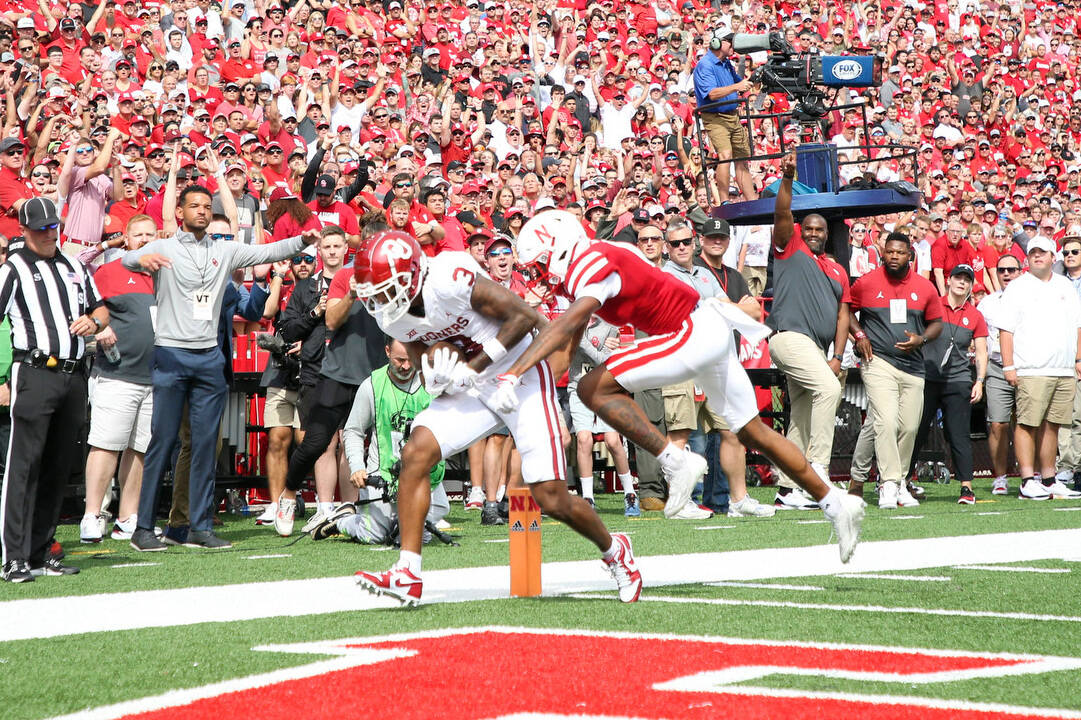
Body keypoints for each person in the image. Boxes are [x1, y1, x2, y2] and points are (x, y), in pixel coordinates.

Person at [503, 210, 865, 563]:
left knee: (591, 390)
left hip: (689, 333)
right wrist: (529, 388)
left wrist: (511, 373)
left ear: (560, 249)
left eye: (539, 263)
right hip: (705, 328)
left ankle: (675, 462)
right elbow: (566, 349)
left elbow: (566, 326)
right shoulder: (601, 258)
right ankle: (837, 503)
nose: (538, 274)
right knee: (753, 432)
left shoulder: (591, 263)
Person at [351, 230, 642, 606]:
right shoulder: (392, 318)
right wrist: (436, 375)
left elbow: (524, 317)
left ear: (411, 275)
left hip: (519, 375)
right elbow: (427, 361)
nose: (379, 300)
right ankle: (407, 572)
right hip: (472, 384)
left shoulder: (448, 277)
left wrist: (474, 367)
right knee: (416, 453)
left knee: (550, 496)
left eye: (385, 289)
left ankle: (614, 549)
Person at [122, 184, 317, 552]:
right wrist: (139, 260)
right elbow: (127, 260)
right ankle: (143, 527)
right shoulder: (163, 247)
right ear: (180, 212)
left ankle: (199, 525)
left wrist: (300, 241)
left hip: (209, 358)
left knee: (206, 443)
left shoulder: (223, 250)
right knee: (162, 441)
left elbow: (266, 250)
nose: (200, 211)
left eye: (204, 206)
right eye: (193, 206)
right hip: (171, 355)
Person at [1, 198, 108, 583]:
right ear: (24, 230)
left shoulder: (74, 265)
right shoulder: (12, 269)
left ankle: (41, 550)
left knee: (58, 467)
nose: (50, 234)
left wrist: (92, 322)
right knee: (23, 467)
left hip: (72, 375)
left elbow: (100, 309)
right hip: (34, 371)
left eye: (53, 227)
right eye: (42, 228)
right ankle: (12, 557)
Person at [665, 219, 773, 519]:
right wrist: (714, 309)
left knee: (732, 430)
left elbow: (737, 308)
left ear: (693, 241)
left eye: (686, 241)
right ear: (668, 247)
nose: (683, 247)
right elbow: (687, 315)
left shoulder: (703, 274)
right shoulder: (664, 275)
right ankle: (681, 502)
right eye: (676, 243)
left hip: (714, 361)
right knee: (682, 433)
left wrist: (713, 309)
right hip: (682, 361)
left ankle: (738, 500)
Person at [767, 159, 851, 509]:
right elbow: (782, 212)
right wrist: (787, 178)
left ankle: (787, 488)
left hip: (818, 349)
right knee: (829, 389)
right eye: (809, 229)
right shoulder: (790, 246)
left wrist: (836, 355)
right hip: (789, 338)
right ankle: (817, 470)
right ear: (802, 231)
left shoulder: (836, 268)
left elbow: (844, 313)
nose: (814, 233)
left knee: (800, 418)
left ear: (827, 234)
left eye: (820, 230)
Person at [314, 338, 449, 544]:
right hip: (384, 473)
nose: (405, 366)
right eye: (400, 360)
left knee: (424, 529)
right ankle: (343, 520)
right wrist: (357, 466)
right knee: (373, 536)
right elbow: (353, 431)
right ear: (387, 351)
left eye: (410, 359)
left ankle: (401, 523)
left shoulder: (432, 382)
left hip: (424, 473)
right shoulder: (371, 385)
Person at [847, 232, 944, 509]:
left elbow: (936, 322)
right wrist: (860, 335)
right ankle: (888, 484)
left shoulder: (925, 287)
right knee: (886, 422)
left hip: (914, 366)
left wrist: (922, 339)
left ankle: (900, 482)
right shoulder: (866, 283)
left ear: (910, 255)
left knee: (910, 427)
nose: (893, 256)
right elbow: (846, 312)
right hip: (878, 361)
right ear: (883, 253)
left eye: (899, 252)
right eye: (889, 251)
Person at [79, 214, 158, 543]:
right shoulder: (110, 271)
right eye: (137, 234)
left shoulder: (166, 276)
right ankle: (91, 515)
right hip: (116, 374)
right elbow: (86, 311)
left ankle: (128, 517)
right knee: (106, 446)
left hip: (155, 379)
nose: (143, 239)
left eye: (149, 234)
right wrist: (101, 327)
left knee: (139, 450)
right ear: (126, 240)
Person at [997, 237, 1081, 501]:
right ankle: (1026, 479)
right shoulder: (1018, 287)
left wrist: (1077, 360)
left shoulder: (1065, 285)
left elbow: (1078, 325)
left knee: (1053, 425)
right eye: (1032, 252)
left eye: (1041, 252)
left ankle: (1048, 479)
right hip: (1031, 368)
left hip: (1064, 369)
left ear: (1052, 256)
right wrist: (1009, 365)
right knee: (1027, 424)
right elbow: (1005, 329)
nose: (1037, 256)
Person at [910, 264, 988, 505]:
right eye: (958, 278)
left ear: (971, 285)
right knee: (916, 430)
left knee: (959, 434)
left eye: (967, 279)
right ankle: (901, 481)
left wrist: (980, 381)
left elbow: (982, 351)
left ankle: (966, 487)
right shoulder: (932, 305)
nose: (961, 282)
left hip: (958, 379)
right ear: (949, 280)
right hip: (928, 377)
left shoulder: (975, 315)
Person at [692, 32, 756, 204]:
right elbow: (712, 93)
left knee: (742, 158)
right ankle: (724, 200)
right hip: (715, 116)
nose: (733, 45)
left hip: (732, 115)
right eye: (730, 41)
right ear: (717, 43)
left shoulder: (726, 62)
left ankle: (752, 202)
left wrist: (756, 77)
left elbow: (740, 84)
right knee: (725, 155)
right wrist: (737, 86)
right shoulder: (704, 65)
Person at [978, 254, 1023, 496]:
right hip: (996, 367)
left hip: (1027, 366)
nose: (1006, 274)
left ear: (1020, 272)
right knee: (997, 423)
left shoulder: (1031, 300)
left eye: (1011, 269)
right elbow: (980, 339)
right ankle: (1000, 477)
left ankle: (1034, 475)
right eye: (1002, 270)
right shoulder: (987, 303)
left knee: (1031, 423)